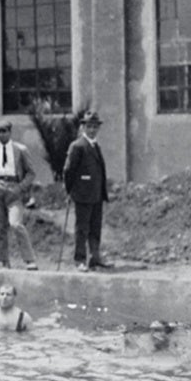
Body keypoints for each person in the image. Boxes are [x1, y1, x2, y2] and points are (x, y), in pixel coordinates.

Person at [63, 110, 114, 272]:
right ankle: (80, 260)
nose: (92, 130)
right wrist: (70, 191)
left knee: (95, 227)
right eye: (89, 126)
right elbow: (68, 171)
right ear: (83, 127)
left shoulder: (95, 145)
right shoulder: (78, 146)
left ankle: (95, 258)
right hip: (83, 194)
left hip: (96, 194)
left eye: (95, 127)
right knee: (82, 229)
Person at [0, 120, 38, 270]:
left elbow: (31, 173)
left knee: (16, 224)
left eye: (4, 131)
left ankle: (29, 260)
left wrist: (20, 187)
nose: (1, 135)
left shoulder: (20, 150)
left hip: (14, 188)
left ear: (10, 132)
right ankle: (4, 261)